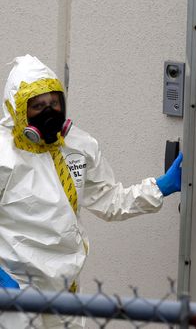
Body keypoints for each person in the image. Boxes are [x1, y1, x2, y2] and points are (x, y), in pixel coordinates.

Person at [0, 54, 182, 328]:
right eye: (38, 105)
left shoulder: (77, 146)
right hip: (16, 284)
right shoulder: (4, 156)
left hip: (65, 284)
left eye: (54, 103)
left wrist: (160, 187)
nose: (49, 112)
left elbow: (109, 200)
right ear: (17, 109)